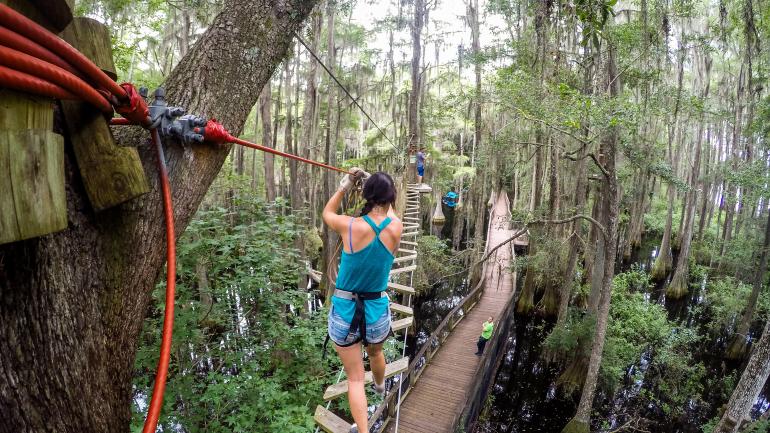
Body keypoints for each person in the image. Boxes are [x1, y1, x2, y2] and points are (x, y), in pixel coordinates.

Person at [322, 169, 404, 433]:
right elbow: (390, 212)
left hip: (345, 313)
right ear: (391, 197)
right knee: (376, 352)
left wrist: (345, 185)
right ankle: (380, 386)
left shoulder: (350, 226)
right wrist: (377, 184)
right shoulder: (396, 227)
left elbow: (327, 214)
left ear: (367, 195)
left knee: (356, 379)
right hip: (376, 312)